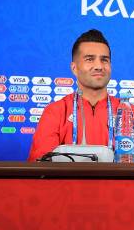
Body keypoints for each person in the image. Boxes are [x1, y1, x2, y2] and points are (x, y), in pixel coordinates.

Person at [28, 29, 126, 161]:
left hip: (117, 182)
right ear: (74, 68)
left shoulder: (127, 112)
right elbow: (41, 165)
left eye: (104, 60)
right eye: (90, 59)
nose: (99, 66)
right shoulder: (56, 112)